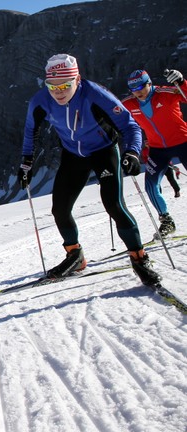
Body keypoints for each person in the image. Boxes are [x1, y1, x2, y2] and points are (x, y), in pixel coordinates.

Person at [18, 54, 160, 286]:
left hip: (104, 151)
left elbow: (129, 124)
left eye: (65, 85)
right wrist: (26, 164)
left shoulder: (94, 93)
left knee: (114, 205)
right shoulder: (40, 100)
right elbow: (30, 131)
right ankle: (75, 255)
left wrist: (133, 152)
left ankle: (139, 257)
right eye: (51, 86)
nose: (58, 91)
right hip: (74, 154)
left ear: (78, 79)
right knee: (60, 209)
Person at [121, 68, 187, 237]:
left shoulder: (165, 92)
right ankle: (166, 221)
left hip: (183, 142)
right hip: (157, 149)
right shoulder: (129, 104)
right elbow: (115, 117)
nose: (138, 92)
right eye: (134, 90)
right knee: (150, 185)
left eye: (141, 87)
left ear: (149, 83)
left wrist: (181, 82)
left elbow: (185, 94)